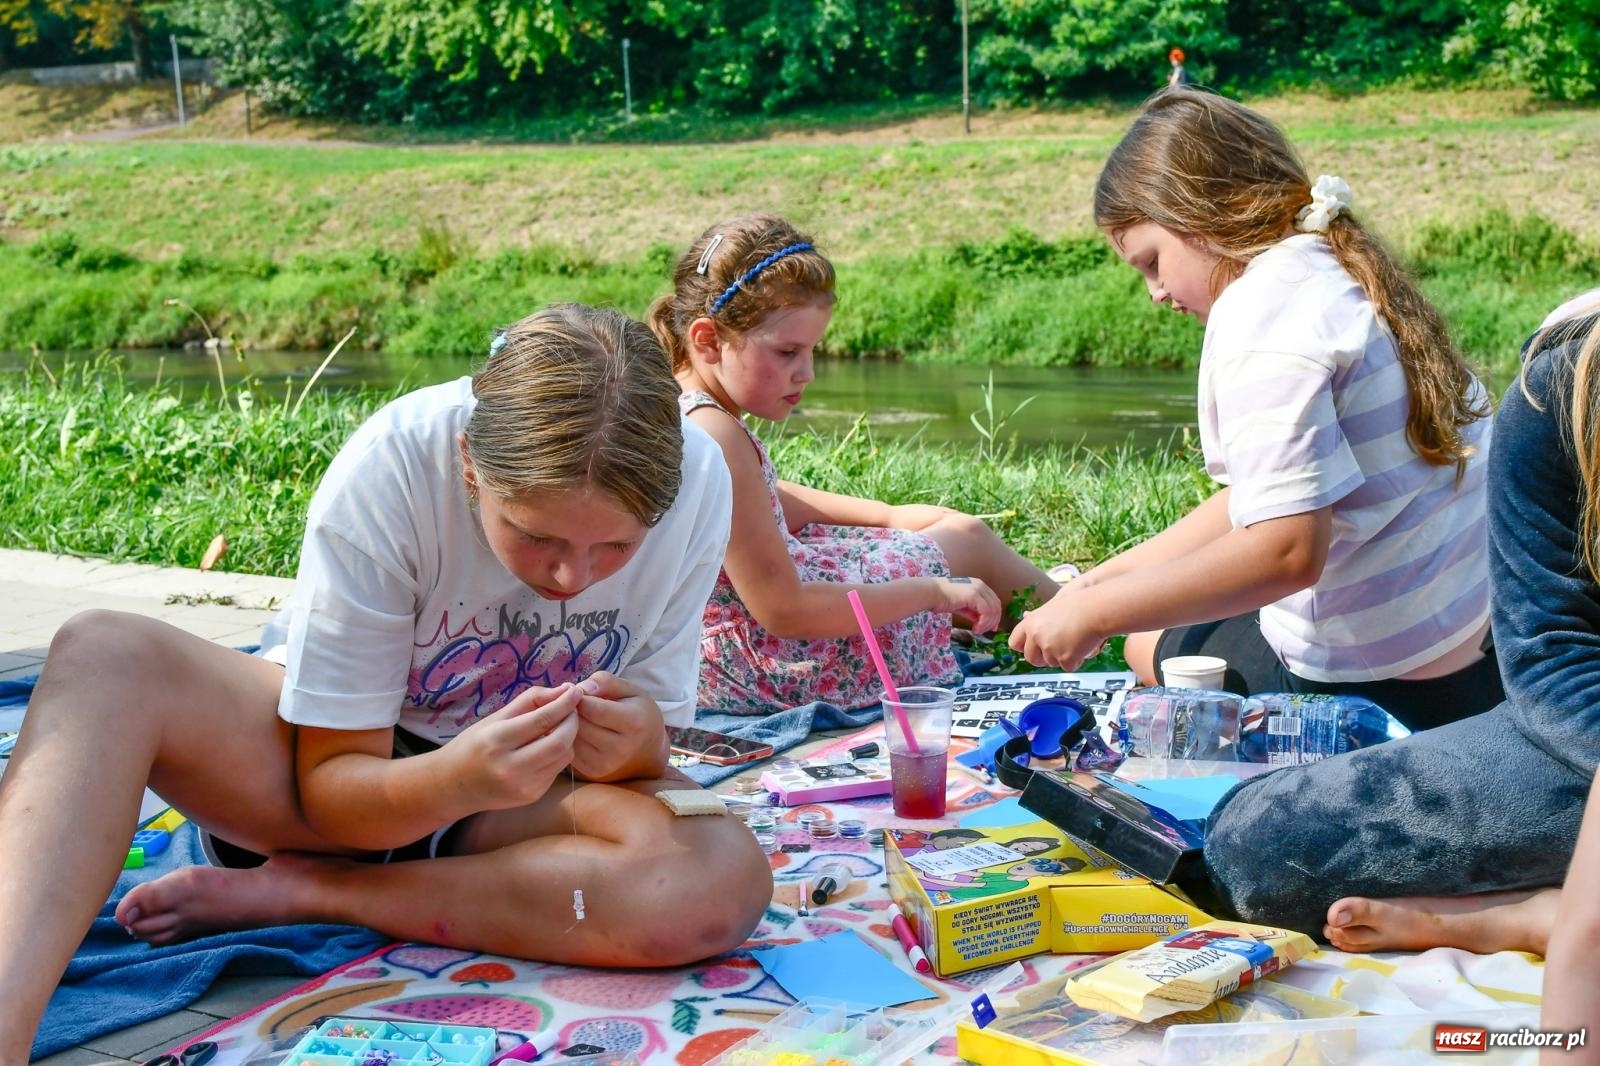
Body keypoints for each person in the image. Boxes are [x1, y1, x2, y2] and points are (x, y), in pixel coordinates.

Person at [0, 304, 774, 1057]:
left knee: (719, 878)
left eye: (615, 548)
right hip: (314, 781)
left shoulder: (699, 479)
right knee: (104, 655)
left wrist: (638, 742)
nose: (571, 576)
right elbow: (332, 784)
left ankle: (307, 894)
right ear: (471, 463)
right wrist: (461, 775)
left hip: (517, 803)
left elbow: (654, 756)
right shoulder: (397, 459)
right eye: (536, 536)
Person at [1008, 87, 1503, 733]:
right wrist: (1104, 581)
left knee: (1143, 640)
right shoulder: (1328, 266)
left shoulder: (1260, 323)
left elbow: (1284, 553)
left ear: (1195, 213)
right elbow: (1262, 497)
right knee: (1157, 612)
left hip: (1385, 690)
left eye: (1152, 262)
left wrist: (1098, 615)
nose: (1154, 292)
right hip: (1475, 642)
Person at [1202, 293, 1600, 944]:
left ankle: (1542, 920)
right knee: (1256, 847)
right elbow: (1552, 655)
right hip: (1580, 738)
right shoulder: (1564, 387)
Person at [649, 214, 1059, 714]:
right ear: (708, 339)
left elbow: (769, 501)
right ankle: (1085, 620)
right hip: (769, 666)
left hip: (735, 651)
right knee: (961, 540)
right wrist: (931, 592)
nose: (808, 372)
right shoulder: (716, 432)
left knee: (936, 533)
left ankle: (1053, 609)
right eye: (788, 352)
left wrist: (887, 515)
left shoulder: (685, 405)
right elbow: (785, 611)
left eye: (813, 350)